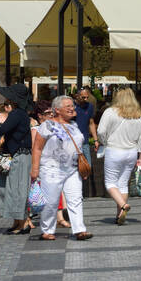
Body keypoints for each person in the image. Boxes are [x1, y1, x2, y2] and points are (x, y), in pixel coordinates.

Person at [30, 94, 92, 241]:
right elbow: (37, 148)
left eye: (72, 106)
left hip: (72, 169)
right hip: (51, 169)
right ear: (57, 110)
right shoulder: (47, 125)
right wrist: (35, 168)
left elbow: (78, 148)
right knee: (51, 201)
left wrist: (82, 166)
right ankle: (47, 230)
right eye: (68, 106)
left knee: (76, 199)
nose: (72, 109)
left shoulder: (74, 126)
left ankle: (79, 230)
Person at [0, 85, 34, 234]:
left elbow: (2, 129)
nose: (6, 100)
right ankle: (18, 221)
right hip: (17, 155)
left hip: (19, 156)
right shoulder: (19, 113)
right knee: (7, 187)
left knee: (17, 189)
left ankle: (22, 223)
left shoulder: (17, 114)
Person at [96, 87, 141, 225]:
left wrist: (104, 142)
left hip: (114, 150)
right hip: (132, 152)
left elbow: (100, 131)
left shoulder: (110, 112)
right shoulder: (139, 116)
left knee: (110, 183)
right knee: (123, 184)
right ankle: (119, 214)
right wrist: (140, 157)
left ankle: (123, 206)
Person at [73, 86, 98, 194]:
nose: (85, 100)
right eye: (83, 97)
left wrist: (96, 139)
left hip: (85, 141)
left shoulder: (89, 106)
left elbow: (91, 123)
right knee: (74, 166)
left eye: (87, 97)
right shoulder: (71, 107)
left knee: (87, 167)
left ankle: (80, 190)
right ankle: (76, 191)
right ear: (77, 96)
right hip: (73, 142)